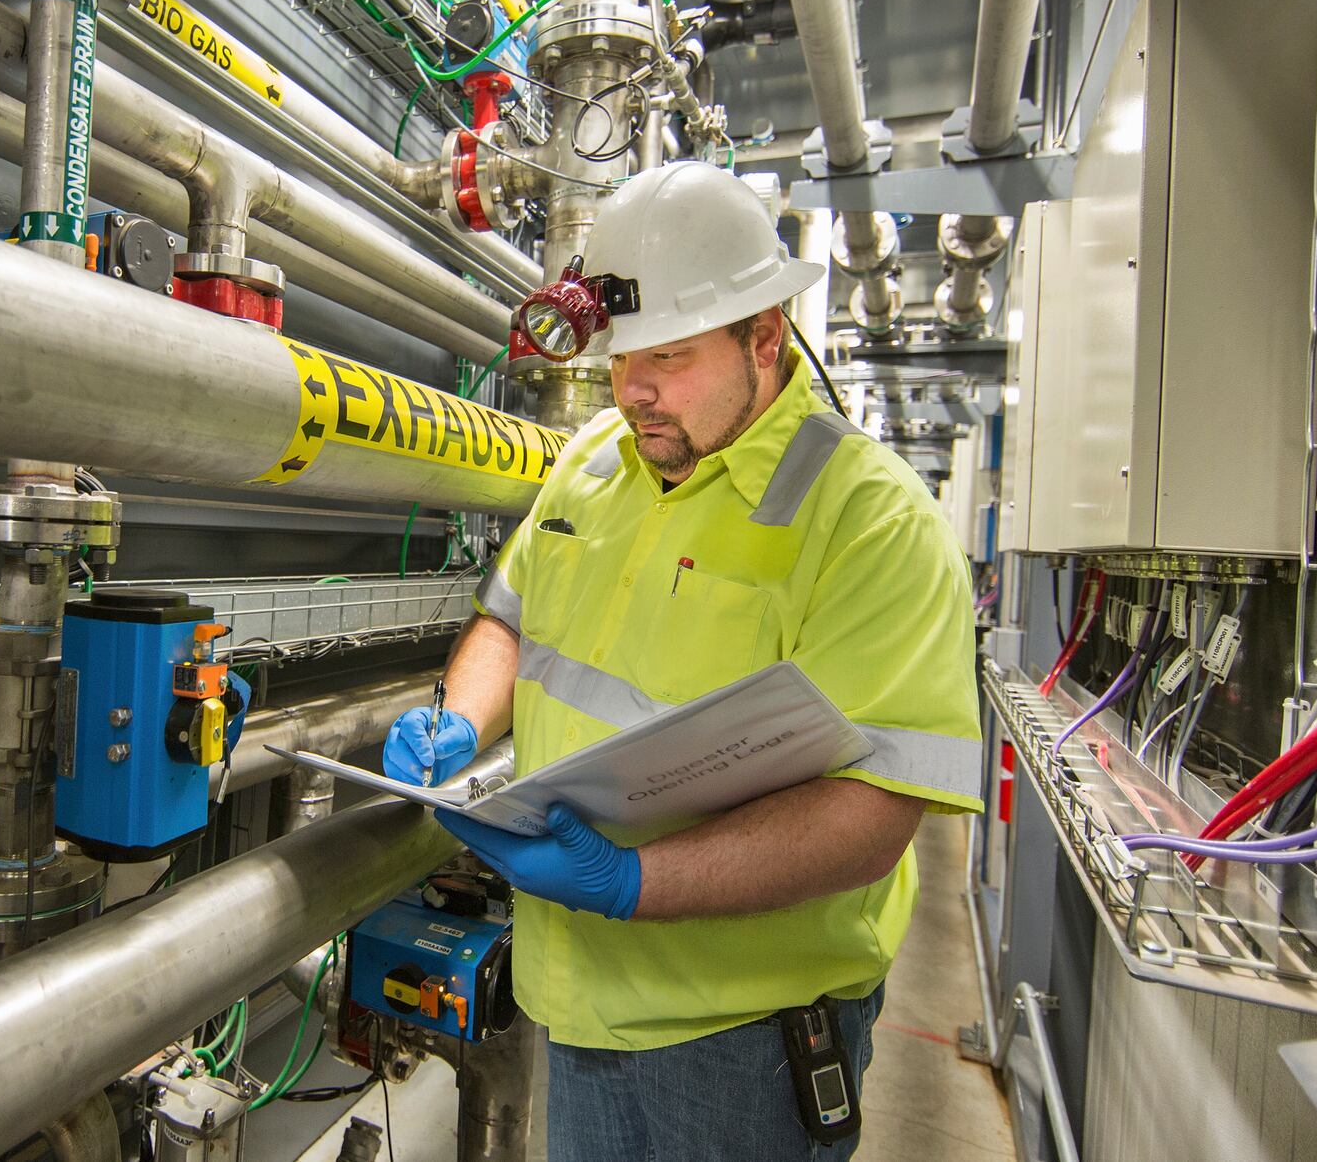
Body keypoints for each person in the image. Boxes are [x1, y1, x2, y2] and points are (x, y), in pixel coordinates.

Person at [381, 161, 982, 1161]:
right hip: (569, 996)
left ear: (763, 334)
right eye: (620, 357)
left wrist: (630, 880)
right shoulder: (592, 462)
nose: (633, 390)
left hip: (735, 1042)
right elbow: (509, 618)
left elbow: (870, 817)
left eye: (668, 354)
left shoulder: (872, 524)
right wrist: (459, 712)